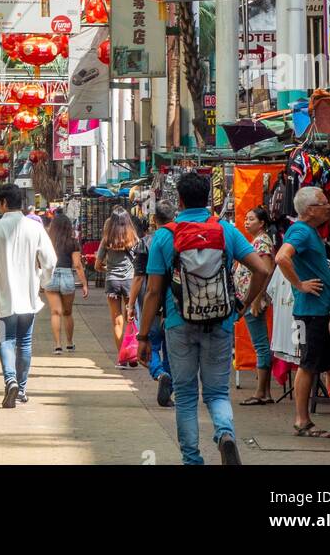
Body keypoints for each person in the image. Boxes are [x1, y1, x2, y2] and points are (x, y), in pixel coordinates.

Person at [137, 172, 270, 466]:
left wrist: (143, 336)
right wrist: (244, 305)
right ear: (208, 198)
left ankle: (192, 460)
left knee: (185, 396)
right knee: (217, 393)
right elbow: (261, 269)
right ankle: (225, 433)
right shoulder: (226, 230)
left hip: (177, 324)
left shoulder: (164, 236)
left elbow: (153, 292)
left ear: (180, 201)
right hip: (220, 321)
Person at [274, 186, 330, 439]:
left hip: (321, 310)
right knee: (308, 365)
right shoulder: (300, 231)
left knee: (329, 365)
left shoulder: (309, 232)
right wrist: (300, 285)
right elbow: (281, 257)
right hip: (310, 312)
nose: (328, 207)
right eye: (323, 203)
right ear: (310, 210)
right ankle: (302, 420)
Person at [0, 184, 56, 407]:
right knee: (24, 343)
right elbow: (50, 261)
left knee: (5, 340)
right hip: (29, 298)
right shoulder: (35, 228)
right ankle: (21, 389)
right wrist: (43, 281)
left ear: (3, 203)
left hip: (5, 299)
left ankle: (11, 380)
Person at [129, 202, 174, 406]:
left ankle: (159, 373)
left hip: (150, 300)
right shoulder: (177, 239)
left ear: (154, 220)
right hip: (173, 301)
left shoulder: (145, 243)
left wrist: (131, 304)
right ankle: (168, 381)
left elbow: (138, 277)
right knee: (170, 347)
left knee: (151, 344)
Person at [235, 205, 276, 406]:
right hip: (250, 299)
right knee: (260, 343)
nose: (246, 221)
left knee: (260, 344)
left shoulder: (263, 242)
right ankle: (265, 392)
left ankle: (261, 392)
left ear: (262, 223)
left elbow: (266, 271)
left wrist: (257, 298)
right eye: (246, 218)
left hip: (253, 301)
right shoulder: (258, 241)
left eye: (251, 219)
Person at [94, 207, 139, 360]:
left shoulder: (107, 239)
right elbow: (140, 260)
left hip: (112, 281)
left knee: (117, 321)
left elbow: (97, 265)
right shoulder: (133, 238)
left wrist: (108, 268)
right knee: (131, 317)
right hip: (130, 282)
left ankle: (122, 357)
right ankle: (133, 354)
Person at [44, 211, 88, 353]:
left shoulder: (47, 242)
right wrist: (84, 284)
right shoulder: (72, 242)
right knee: (67, 313)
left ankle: (57, 345)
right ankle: (69, 343)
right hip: (67, 276)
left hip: (50, 275)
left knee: (55, 312)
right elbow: (77, 265)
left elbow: (40, 261)